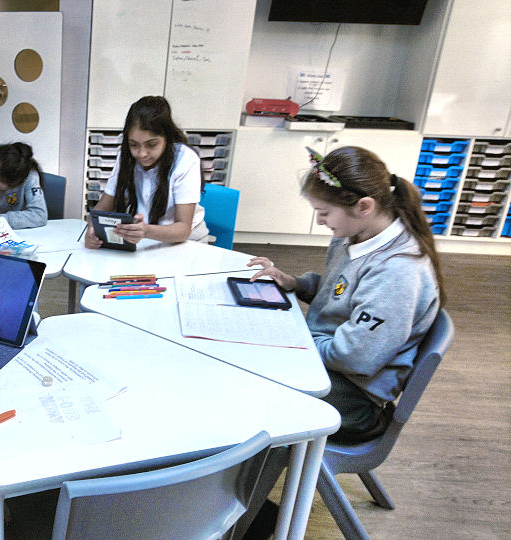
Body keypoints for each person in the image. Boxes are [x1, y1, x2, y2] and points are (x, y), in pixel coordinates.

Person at [237, 146, 444, 539]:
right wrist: (296, 284)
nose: (320, 220)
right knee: (247, 379)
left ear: (364, 206)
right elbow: (339, 293)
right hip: (328, 367)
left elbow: (355, 356)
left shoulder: (398, 272)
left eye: (325, 213)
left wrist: (291, 339)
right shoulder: (357, 234)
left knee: (259, 405)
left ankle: (238, 522)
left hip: (355, 396)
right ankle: (236, 501)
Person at [84, 96, 208, 248]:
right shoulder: (126, 158)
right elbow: (99, 211)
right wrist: (92, 229)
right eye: (134, 145)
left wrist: (146, 231)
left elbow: (183, 229)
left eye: (151, 144)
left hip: (186, 241)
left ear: (167, 138)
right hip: (145, 239)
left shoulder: (185, 159)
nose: (142, 153)